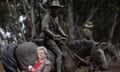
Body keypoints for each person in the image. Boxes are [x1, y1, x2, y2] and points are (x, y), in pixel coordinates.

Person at [40, 0, 67, 72]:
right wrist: (54, 35)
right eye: (55, 8)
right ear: (51, 9)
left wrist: (63, 34)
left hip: (54, 37)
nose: (56, 10)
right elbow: (44, 28)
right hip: (47, 38)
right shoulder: (47, 17)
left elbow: (58, 27)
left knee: (64, 47)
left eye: (57, 8)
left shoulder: (56, 17)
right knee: (59, 54)